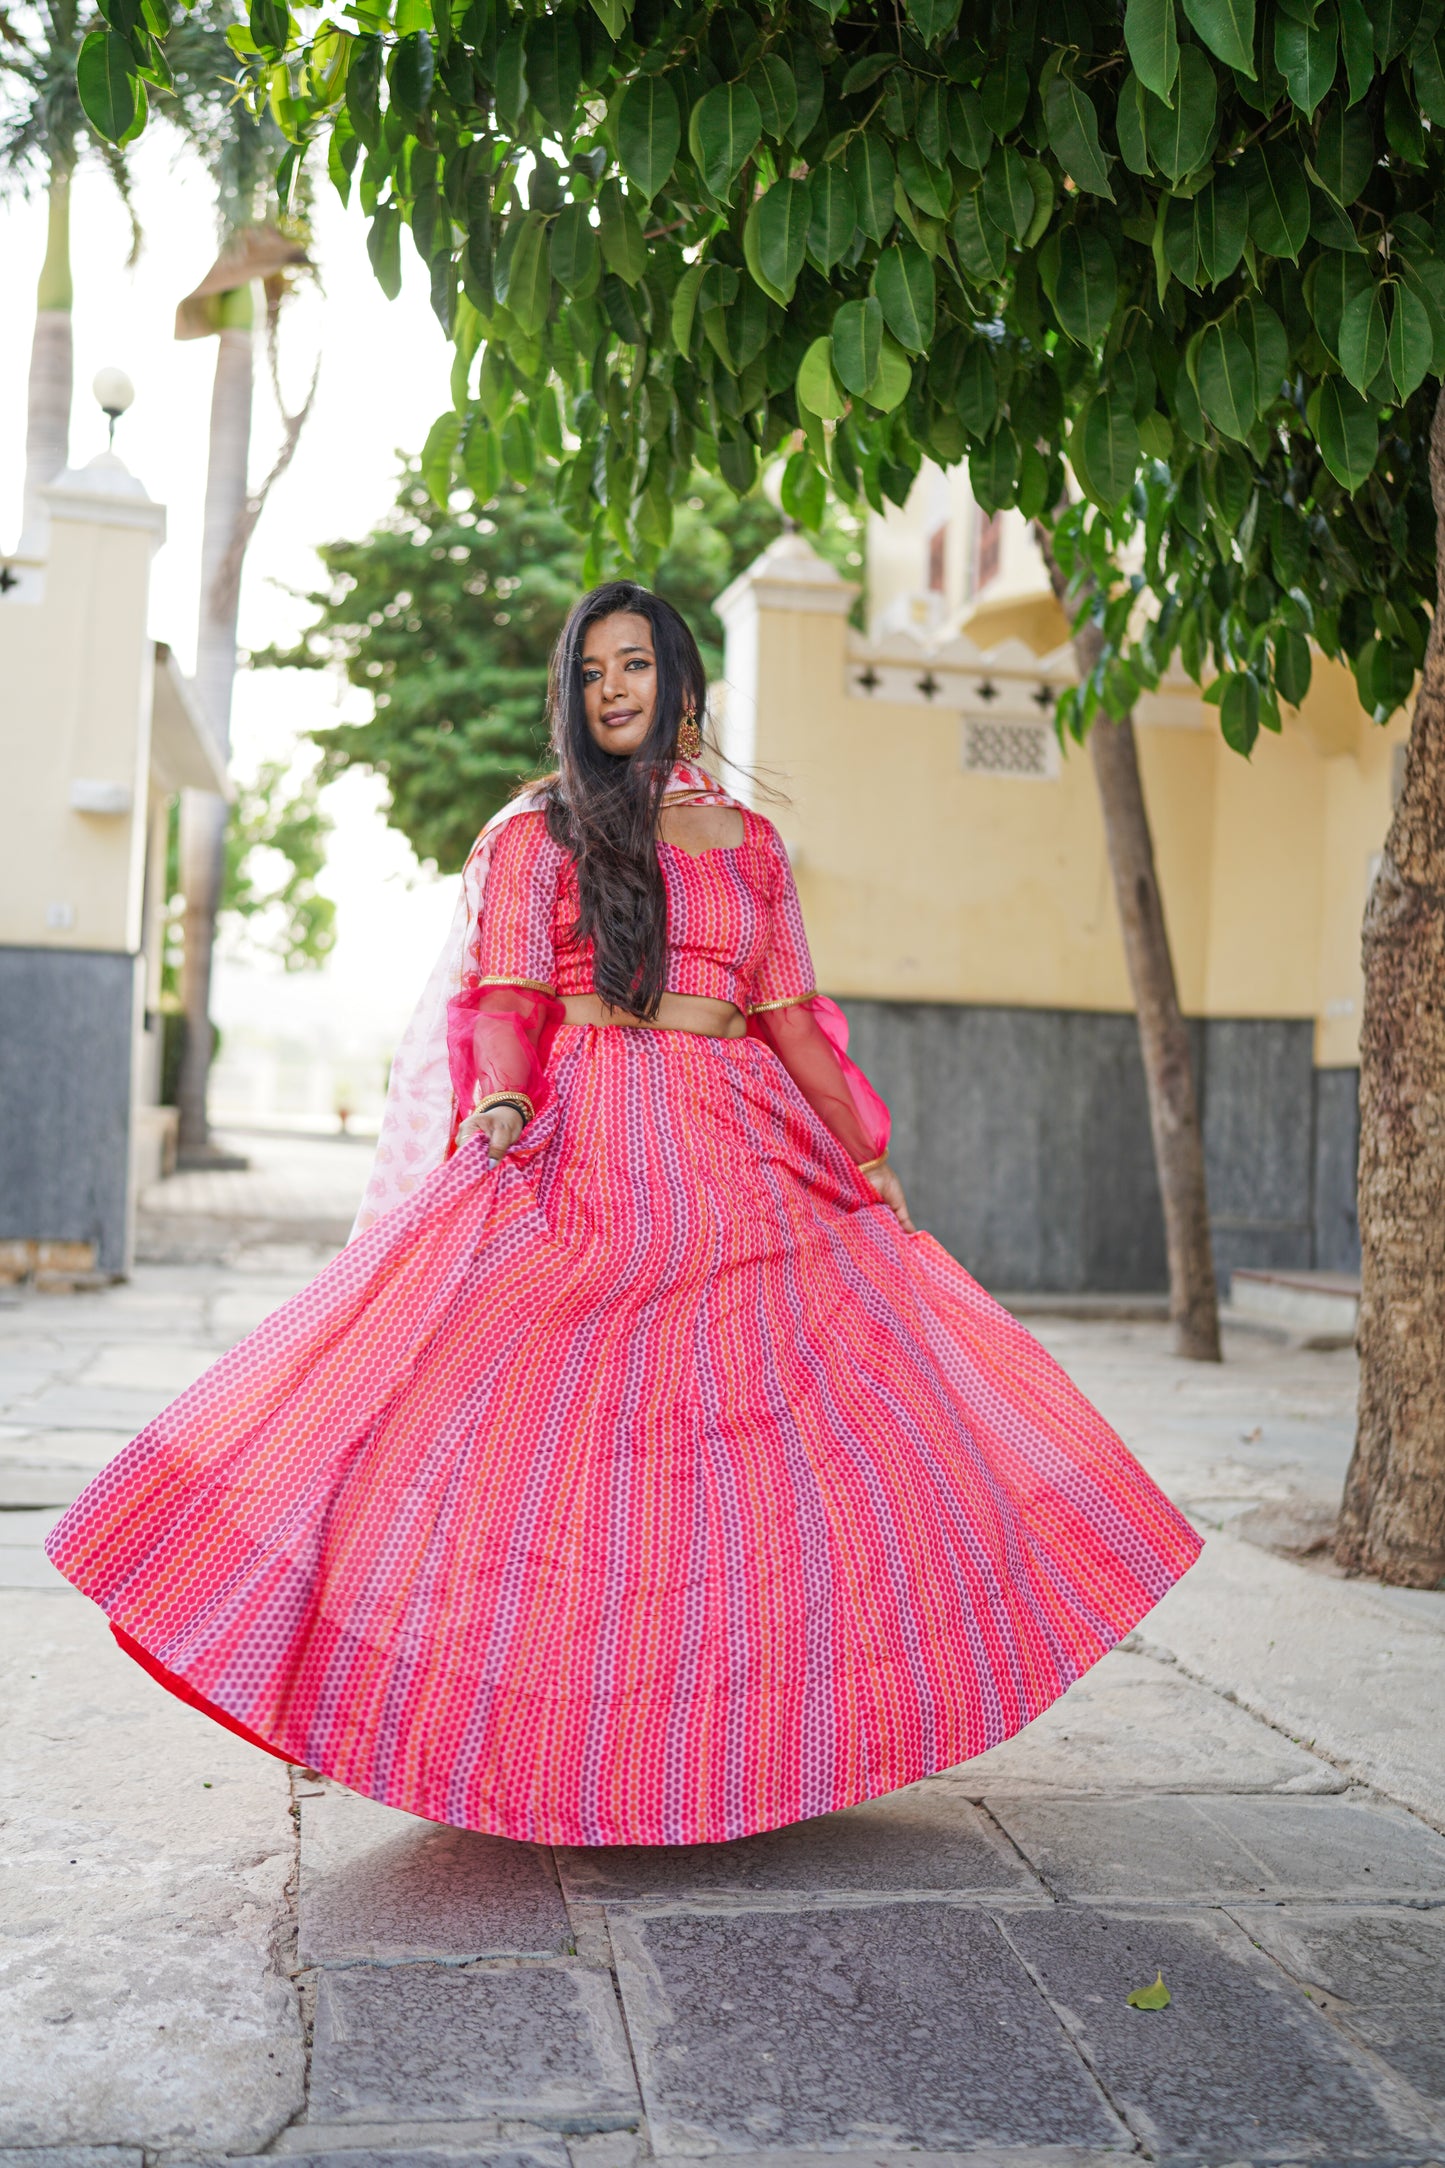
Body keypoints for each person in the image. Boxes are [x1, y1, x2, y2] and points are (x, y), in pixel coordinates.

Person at [46, 583, 1201, 1849]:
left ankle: (735, 1747)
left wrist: (864, 1154)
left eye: (634, 663)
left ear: (681, 683)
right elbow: (508, 997)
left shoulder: (749, 845)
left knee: (763, 1453)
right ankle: (525, 1740)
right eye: (590, 668)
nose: (610, 687)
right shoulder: (539, 832)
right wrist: (497, 1103)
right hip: (589, 1150)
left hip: (736, 1157)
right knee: (531, 1443)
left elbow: (792, 1023)